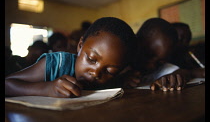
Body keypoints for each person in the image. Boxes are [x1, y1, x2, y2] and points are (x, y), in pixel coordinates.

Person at [5, 17, 137, 98]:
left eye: (110, 71)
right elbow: (8, 84)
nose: (96, 73)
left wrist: (122, 80)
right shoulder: (58, 63)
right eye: (91, 59)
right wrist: (46, 88)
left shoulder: (108, 81)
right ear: (80, 46)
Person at [116, 18, 205, 91]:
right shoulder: (119, 60)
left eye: (160, 62)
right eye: (148, 55)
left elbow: (184, 72)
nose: (151, 66)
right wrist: (121, 79)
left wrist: (174, 77)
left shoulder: (160, 68)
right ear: (136, 42)